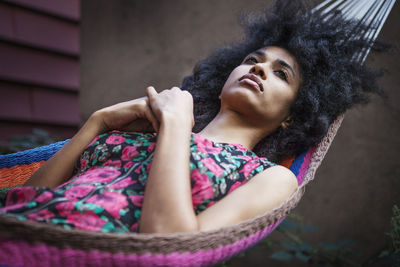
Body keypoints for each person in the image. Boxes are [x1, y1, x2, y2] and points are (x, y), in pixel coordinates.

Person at [0, 0, 386, 234]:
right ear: (223, 79)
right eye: (253, 60)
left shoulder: (270, 177)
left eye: (282, 74)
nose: (260, 69)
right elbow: (26, 197)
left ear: (292, 115)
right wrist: (98, 122)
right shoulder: (150, 129)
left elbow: (170, 243)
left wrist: (176, 126)